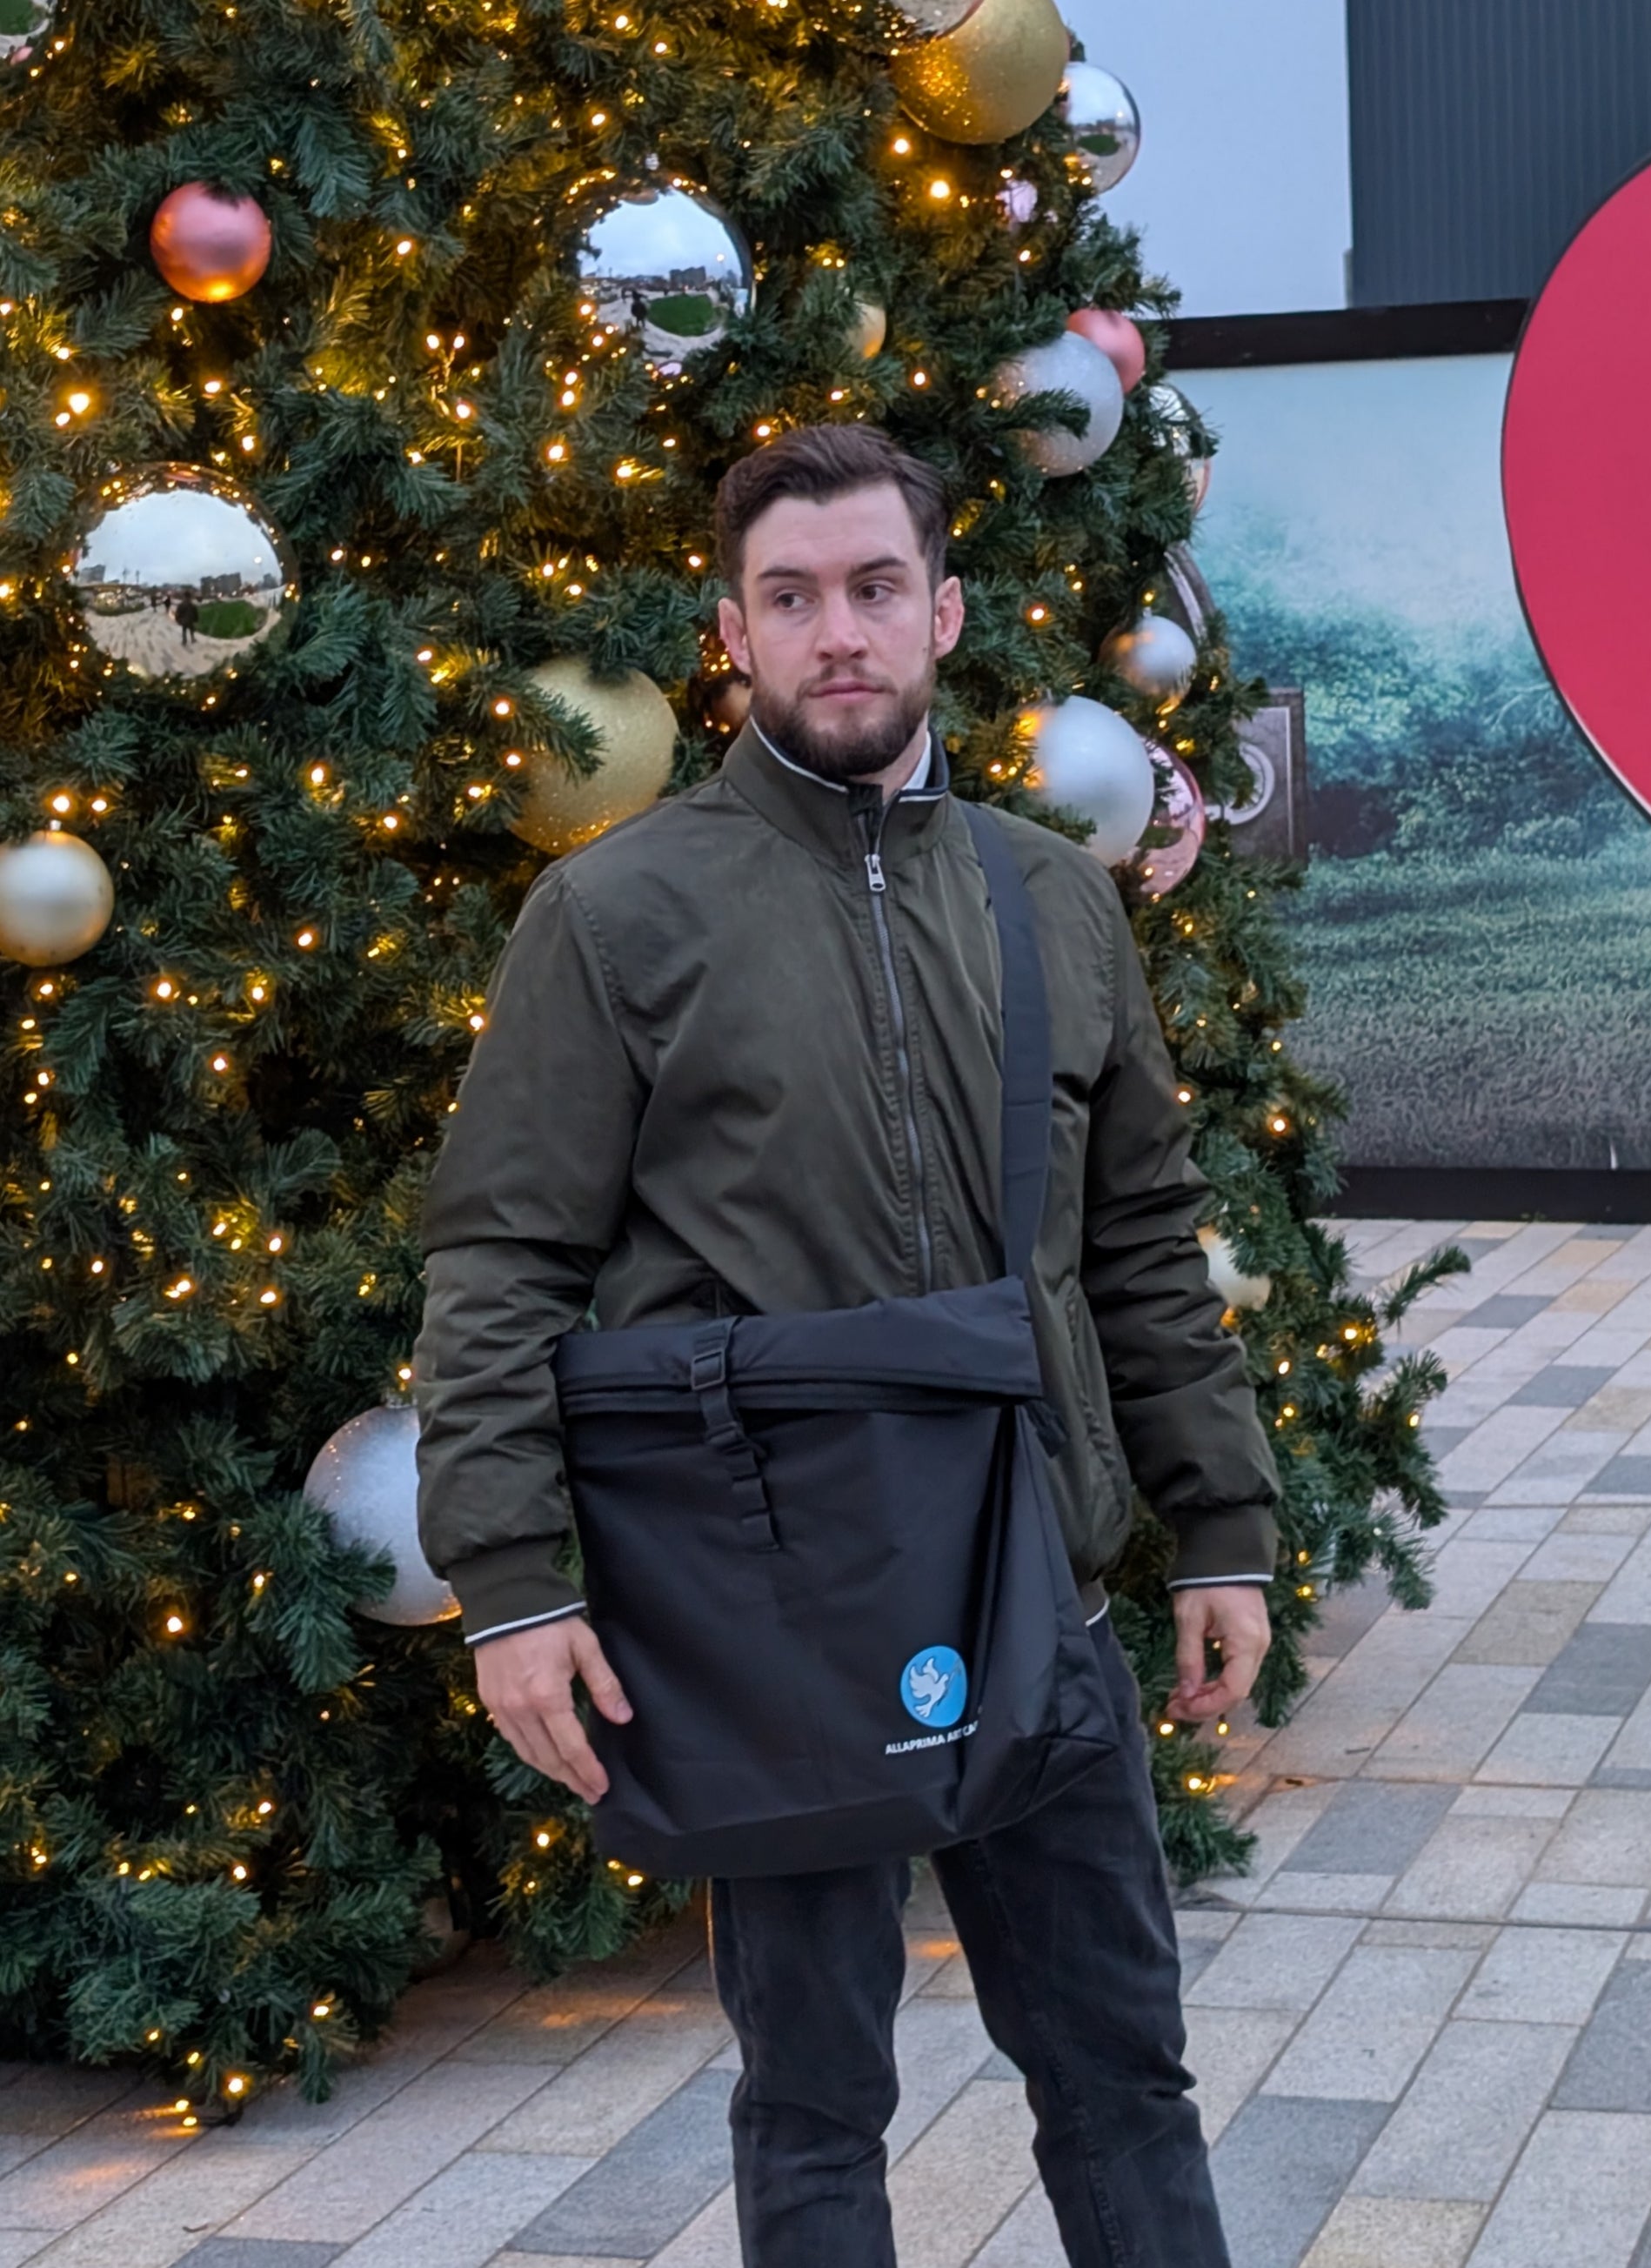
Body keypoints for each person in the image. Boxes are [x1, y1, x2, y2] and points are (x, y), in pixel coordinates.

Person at [414, 425, 1281, 2268]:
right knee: (813, 2110)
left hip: (1037, 1589)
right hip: (772, 1608)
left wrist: (1219, 1524)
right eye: (791, 597)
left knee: (1122, 2074)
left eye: (876, 588)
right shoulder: (614, 914)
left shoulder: (1054, 898)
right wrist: (509, 1582)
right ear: (732, 633)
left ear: (942, 612)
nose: (839, 633)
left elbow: (1139, 1238)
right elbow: (499, 1259)